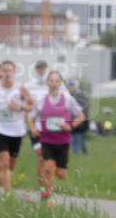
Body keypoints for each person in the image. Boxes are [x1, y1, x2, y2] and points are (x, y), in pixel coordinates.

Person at [29, 71, 85, 206]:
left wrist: (70, 126)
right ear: (47, 83)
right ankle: (49, 197)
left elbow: (81, 116)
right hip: (46, 140)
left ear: (60, 84)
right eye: (51, 81)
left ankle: (50, 184)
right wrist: (33, 128)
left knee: (61, 174)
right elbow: (31, 117)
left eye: (57, 81)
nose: (54, 83)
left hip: (62, 142)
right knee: (48, 168)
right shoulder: (41, 100)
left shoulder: (67, 99)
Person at [0, 60, 34, 197]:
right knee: (3, 163)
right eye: (4, 70)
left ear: (14, 72)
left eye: (10, 70)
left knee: (9, 166)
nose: (7, 73)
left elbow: (31, 105)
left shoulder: (21, 88)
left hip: (16, 130)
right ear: (1, 72)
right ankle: (9, 195)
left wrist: (20, 107)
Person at [23, 60, 53, 198]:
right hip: (36, 127)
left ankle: (49, 190)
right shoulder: (29, 86)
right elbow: (25, 107)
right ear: (36, 69)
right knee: (41, 157)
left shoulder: (53, 85)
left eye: (43, 67)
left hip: (51, 128)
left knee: (49, 162)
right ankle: (43, 190)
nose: (41, 70)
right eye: (39, 68)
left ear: (46, 69)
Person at [68, 80, 90, 155]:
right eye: (70, 86)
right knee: (74, 137)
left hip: (82, 120)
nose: (71, 88)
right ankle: (76, 152)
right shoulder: (68, 96)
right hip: (72, 120)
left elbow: (84, 108)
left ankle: (84, 150)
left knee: (81, 137)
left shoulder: (81, 95)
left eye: (73, 86)